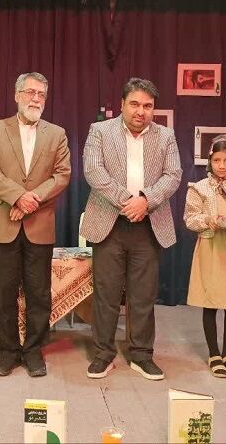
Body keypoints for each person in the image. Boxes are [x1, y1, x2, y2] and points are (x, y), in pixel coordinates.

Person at [80, 77, 182, 381]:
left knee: (143, 295)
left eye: (148, 106)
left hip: (148, 224)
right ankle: (103, 354)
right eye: (135, 104)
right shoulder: (100, 131)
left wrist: (145, 201)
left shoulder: (166, 136)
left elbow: (173, 175)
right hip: (109, 221)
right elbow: (93, 170)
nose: (141, 111)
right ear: (122, 104)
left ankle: (141, 354)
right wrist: (128, 201)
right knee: (106, 294)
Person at [0, 72, 71, 377]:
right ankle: (8, 353)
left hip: (40, 224)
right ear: (17, 95)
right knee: (4, 292)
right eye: (31, 92)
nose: (36, 99)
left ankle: (33, 351)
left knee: (39, 293)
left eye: (41, 94)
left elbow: (62, 175)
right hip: (2, 224)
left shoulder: (57, 134)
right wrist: (18, 197)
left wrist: (32, 200)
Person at [184, 135, 226, 378]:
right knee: (211, 301)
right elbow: (190, 219)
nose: (222, 165)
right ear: (209, 161)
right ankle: (214, 353)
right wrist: (208, 219)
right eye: (217, 160)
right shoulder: (198, 187)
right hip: (211, 247)